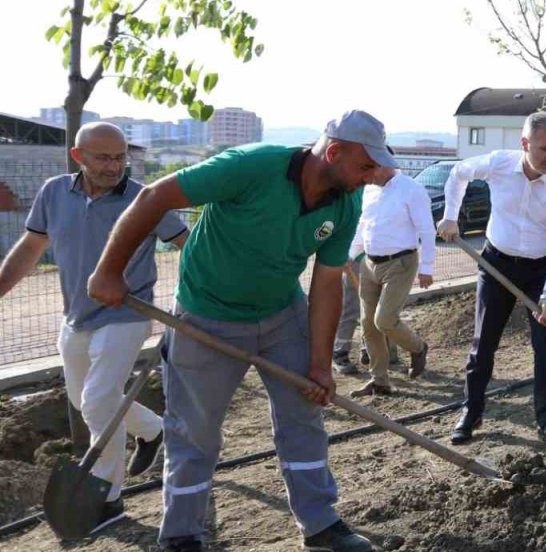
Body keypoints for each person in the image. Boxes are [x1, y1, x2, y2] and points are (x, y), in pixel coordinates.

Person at [87, 110, 392, 552]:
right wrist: (108, 271)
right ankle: (181, 535)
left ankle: (321, 525)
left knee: (303, 414)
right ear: (334, 151)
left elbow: (327, 283)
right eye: (366, 166)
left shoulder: (345, 202)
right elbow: (153, 197)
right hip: (206, 315)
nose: (372, 176)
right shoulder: (250, 166)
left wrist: (319, 366)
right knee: (195, 430)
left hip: (281, 314)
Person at [0, 122, 187, 534]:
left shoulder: (145, 198)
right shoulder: (53, 192)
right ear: (78, 156)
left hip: (127, 313)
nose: (114, 165)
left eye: (120, 157)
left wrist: (196, 297)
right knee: (86, 400)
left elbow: (186, 244)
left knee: (100, 401)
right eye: (103, 157)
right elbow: (31, 248)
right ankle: (155, 430)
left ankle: (109, 498)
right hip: (76, 316)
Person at [438, 112, 546, 449]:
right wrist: (449, 217)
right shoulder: (499, 164)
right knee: (483, 342)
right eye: (544, 149)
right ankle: (471, 412)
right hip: (497, 263)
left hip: (541, 269)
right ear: (524, 144)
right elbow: (458, 174)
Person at [348, 163, 435, 397]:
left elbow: (427, 229)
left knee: (384, 320)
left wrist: (427, 267)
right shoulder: (370, 190)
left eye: (370, 169)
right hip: (369, 263)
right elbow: (363, 226)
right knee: (368, 324)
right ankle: (379, 381)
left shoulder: (411, 189)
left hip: (401, 263)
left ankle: (418, 347)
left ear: (383, 164)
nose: (366, 175)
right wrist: (350, 254)